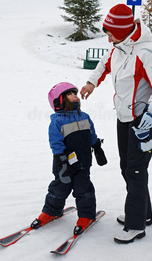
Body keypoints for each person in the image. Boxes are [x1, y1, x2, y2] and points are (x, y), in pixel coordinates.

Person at [80, 4, 152, 243]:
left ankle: (135, 225)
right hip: (124, 118)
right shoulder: (119, 47)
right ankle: (144, 214)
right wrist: (92, 82)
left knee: (136, 170)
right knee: (127, 168)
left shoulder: (146, 52)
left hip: (143, 121)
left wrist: (150, 114)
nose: (107, 37)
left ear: (122, 30)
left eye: (110, 33)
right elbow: (104, 64)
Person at [31, 82, 107, 235]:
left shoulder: (85, 117)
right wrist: (61, 161)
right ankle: (52, 211)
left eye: (75, 94)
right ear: (59, 101)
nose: (75, 96)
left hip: (83, 163)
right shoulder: (57, 121)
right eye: (70, 94)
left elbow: (92, 134)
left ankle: (86, 215)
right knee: (59, 187)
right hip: (64, 164)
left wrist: (97, 148)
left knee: (83, 189)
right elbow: (56, 143)